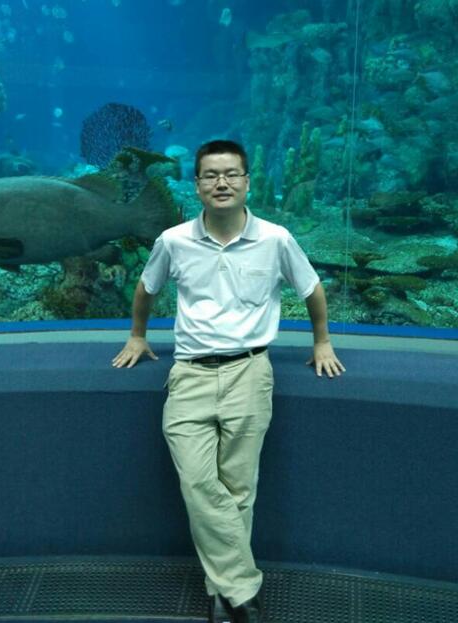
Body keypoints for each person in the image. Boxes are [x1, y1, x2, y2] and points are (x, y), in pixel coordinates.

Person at [112, 139, 345, 623]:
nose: (221, 182)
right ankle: (243, 589)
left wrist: (322, 342)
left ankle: (222, 595)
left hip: (250, 372)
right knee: (198, 481)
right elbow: (146, 288)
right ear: (197, 184)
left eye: (231, 173)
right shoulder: (173, 240)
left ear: (246, 181)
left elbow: (311, 288)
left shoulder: (276, 239)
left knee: (239, 487)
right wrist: (137, 335)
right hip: (190, 374)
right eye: (211, 174)